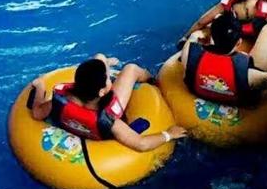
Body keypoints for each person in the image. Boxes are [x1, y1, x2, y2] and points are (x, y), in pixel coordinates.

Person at [29, 54, 186, 151]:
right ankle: (152, 80)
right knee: (131, 69)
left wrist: (41, 87)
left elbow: (37, 113)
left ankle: (105, 61)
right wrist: (169, 134)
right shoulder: (109, 121)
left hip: (84, 103)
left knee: (98, 57)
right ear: (102, 92)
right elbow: (141, 144)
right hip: (103, 112)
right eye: (108, 79)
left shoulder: (60, 101)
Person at [181, 12, 267, 108]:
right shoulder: (249, 74)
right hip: (242, 93)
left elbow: (195, 36)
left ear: (211, 37)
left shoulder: (189, 54)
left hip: (203, 89)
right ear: (239, 42)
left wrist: (199, 34)